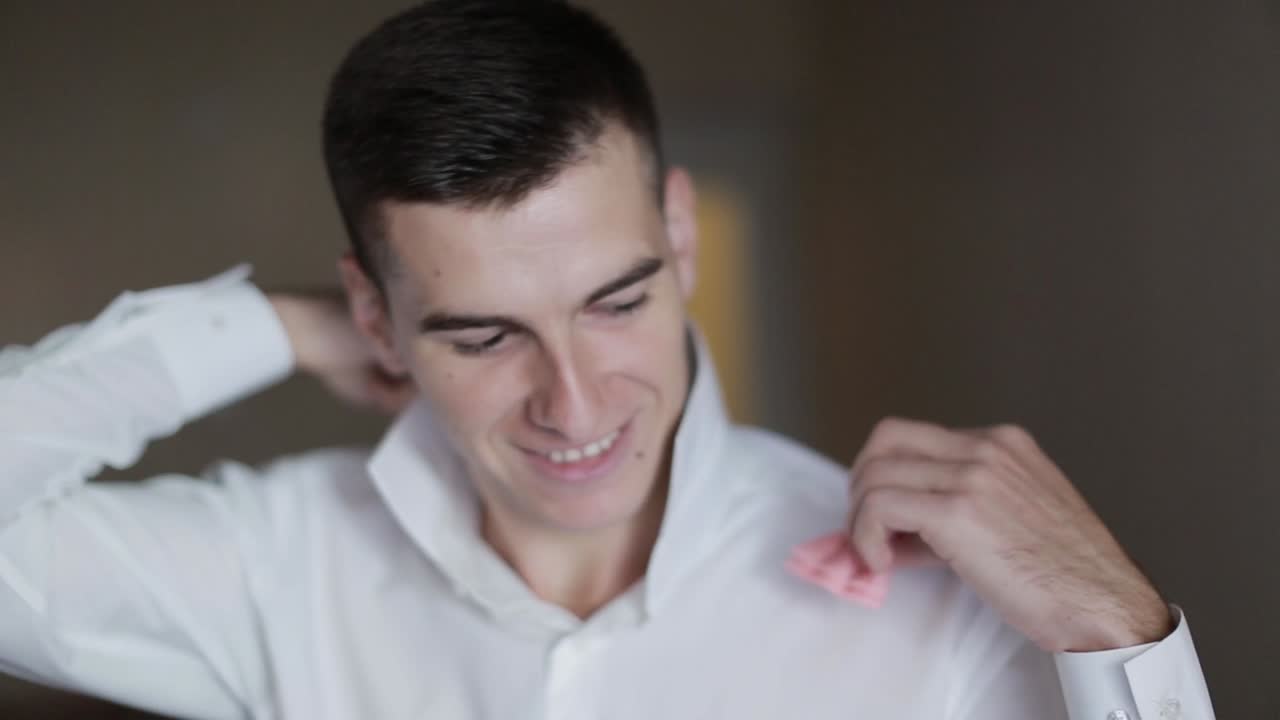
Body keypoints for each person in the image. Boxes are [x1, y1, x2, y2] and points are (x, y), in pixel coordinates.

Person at [0, 1, 1214, 718]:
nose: (574, 401)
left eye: (615, 300)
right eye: (482, 332)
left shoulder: (939, 609)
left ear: (677, 235)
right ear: (378, 319)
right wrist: (277, 323)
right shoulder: (278, 567)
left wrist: (1117, 630)